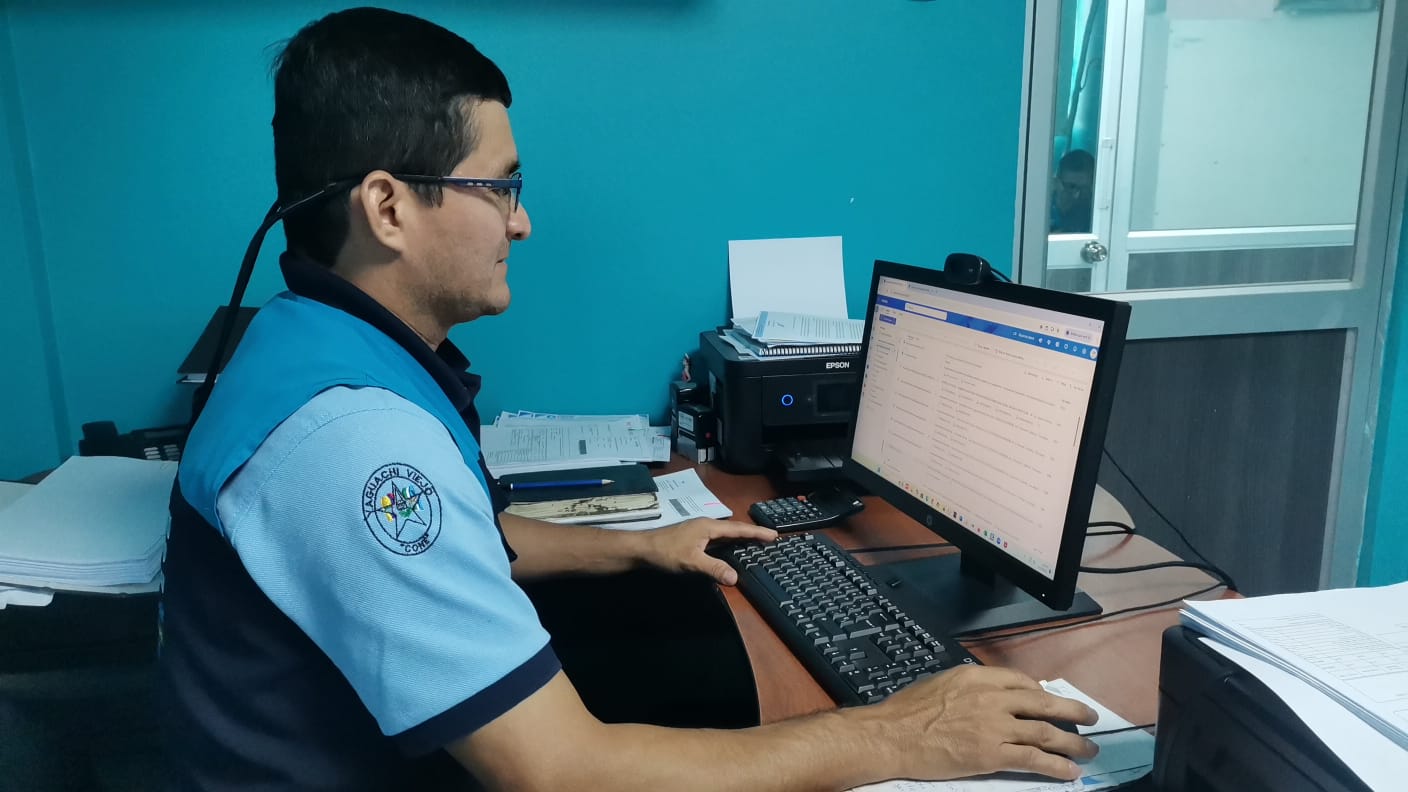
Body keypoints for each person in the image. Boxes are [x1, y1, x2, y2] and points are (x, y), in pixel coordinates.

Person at [159, 7, 1100, 791]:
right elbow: (562, 770)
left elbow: (460, 536)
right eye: (501, 188)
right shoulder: (356, 442)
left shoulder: (306, 338)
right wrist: (901, 734)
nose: (521, 223)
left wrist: (641, 548)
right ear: (388, 206)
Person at [1051, 149, 1095, 234]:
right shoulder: (1043, 210)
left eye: (1084, 189)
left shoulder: (1098, 213)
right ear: (1057, 182)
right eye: (1070, 187)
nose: (1077, 195)